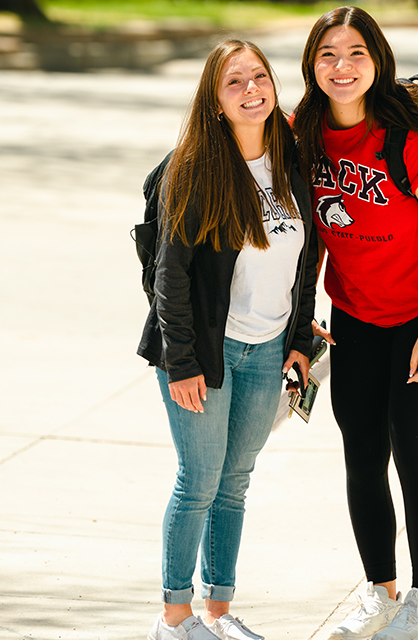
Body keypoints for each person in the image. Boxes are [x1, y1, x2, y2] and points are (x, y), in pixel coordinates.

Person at [293, 7, 418, 640]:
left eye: (356, 54)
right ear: (312, 66)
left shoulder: (415, 136)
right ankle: (380, 592)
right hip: (356, 315)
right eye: (327, 56)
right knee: (362, 453)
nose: (342, 68)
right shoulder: (304, 133)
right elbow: (300, 232)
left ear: (378, 60)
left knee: (415, 452)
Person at [137, 39, 318, 640]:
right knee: (199, 481)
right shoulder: (195, 168)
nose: (250, 90)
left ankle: (219, 613)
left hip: (268, 351)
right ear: (214, 101)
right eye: (233, 82)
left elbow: (306, 258)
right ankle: (174, 616)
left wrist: (298, 338)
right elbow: (170, 275)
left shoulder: (292, 159)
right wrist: (182, 361)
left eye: (259, 77)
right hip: (203, 355)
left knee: (235, 483)